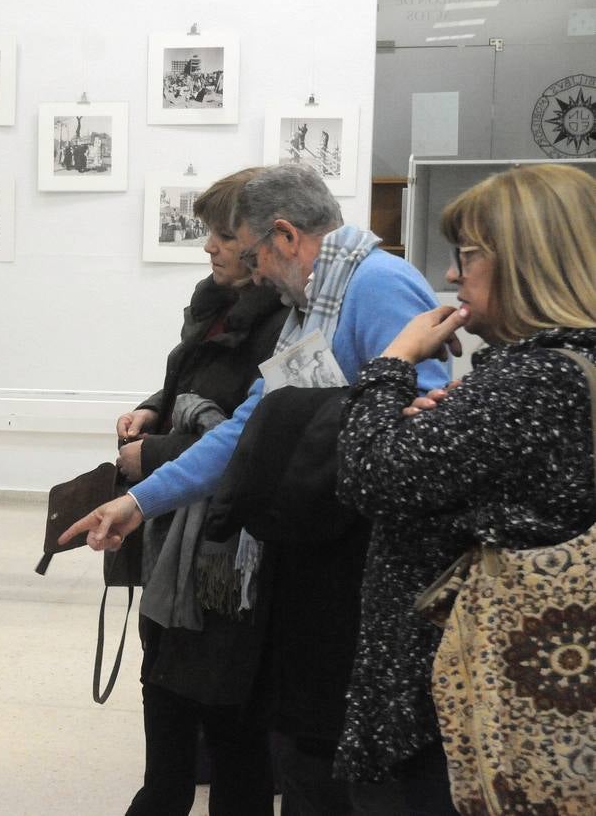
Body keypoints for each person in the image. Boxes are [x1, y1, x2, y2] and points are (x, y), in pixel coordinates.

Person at [64, 164, 450, 813]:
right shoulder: (313, 305)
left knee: (339, 772)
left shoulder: (376, 286)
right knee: (304, 759)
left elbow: (423, 426)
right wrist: (138, 502)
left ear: (285, 237)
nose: (255, 275)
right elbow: (249, 427)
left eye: (252, 256)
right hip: (318, 564)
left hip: (364, 577)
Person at [337, 163, 596, 812]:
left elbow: (369, 475)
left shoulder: (534, 381)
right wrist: (440, 427)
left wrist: (393, 362)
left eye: (467, 255)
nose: (453, 275)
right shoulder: (561, 369)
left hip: (461, 692)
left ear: (524, 258)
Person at [112, 167, 289, 816]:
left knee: (228, 727)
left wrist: (153, 456)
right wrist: (152, 408)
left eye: (224, 235)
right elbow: (194, 386)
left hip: (225, 554)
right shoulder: (214, 305)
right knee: (165, 695)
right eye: (208, 233)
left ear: (266, 238)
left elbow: (256, 435)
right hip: (176, 541)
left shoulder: (284, 323)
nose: (209, 247)